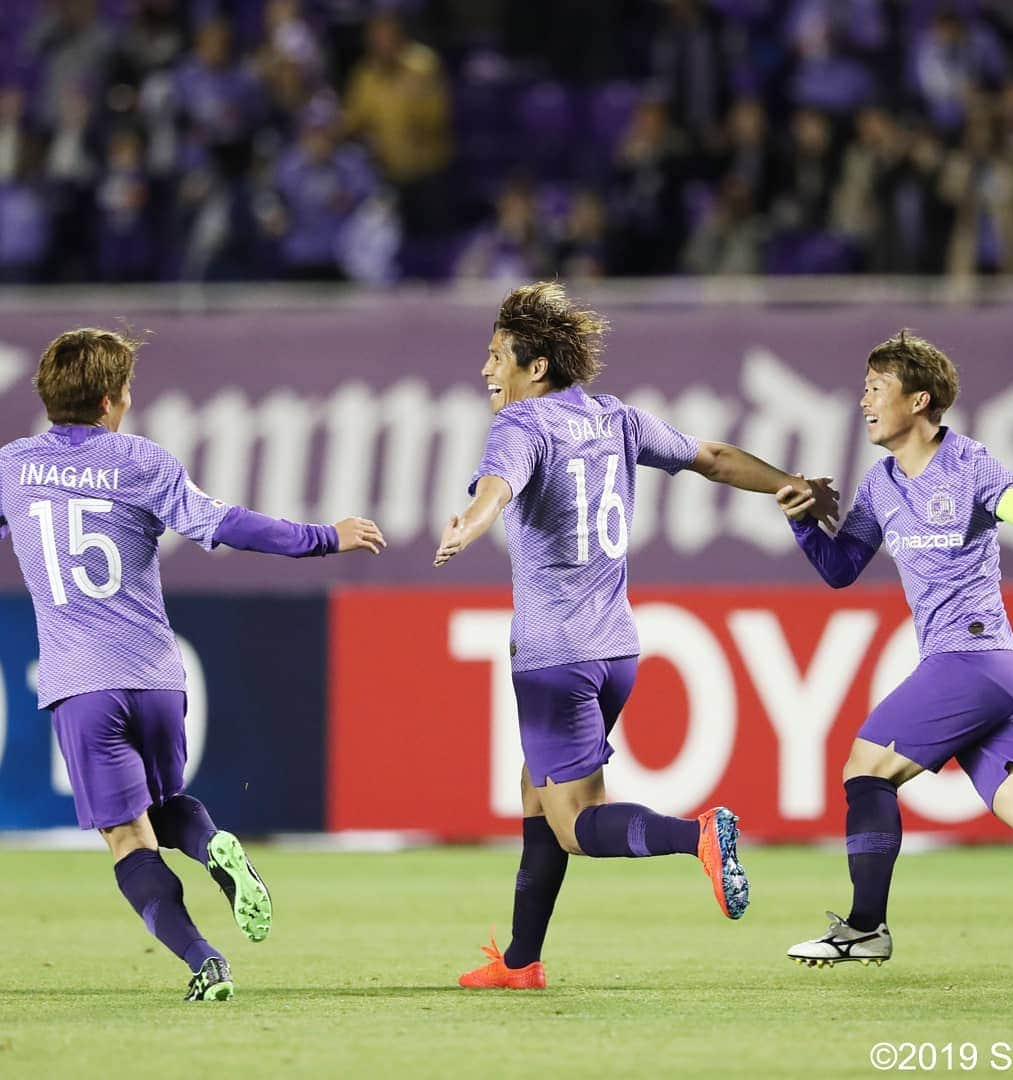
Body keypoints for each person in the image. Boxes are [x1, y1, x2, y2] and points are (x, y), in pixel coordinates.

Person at [433, 282, 837, 988]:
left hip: (554, 656)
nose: (486, 371)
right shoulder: (613, 417)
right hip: (618, 648)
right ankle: (522, 962)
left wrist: (471, 521)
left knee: (574, 822)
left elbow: (498, 484)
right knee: (538, 787)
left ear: (535, 368)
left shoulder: (521, 426)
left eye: (497, 356)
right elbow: (710, 455)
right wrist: (789, 483)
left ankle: (698, 834)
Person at [0, 328, 386, 1000]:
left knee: (127, 836)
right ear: (112, 400)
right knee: (167, 804)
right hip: (156, 676)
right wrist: (328, 537)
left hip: (81, 683)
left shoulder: (13, 467)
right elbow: (228, 524)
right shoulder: (145, 462)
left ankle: (204, 961)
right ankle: (212, 848)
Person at [780, 330, 1013, 968]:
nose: (863, 400)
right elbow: (841, 568)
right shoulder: (882, 484)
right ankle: (865, 927)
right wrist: (804, 520)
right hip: (994, 673)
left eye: (876, 388)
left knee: (866, 768)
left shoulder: (971, 465)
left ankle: (864, 927)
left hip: (973, 658)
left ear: (918, 401)